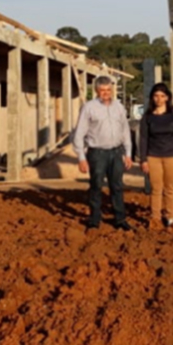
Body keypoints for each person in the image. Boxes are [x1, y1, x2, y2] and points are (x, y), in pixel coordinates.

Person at [73, 75, 133, 231]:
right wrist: (81, 158)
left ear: (112, 90)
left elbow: (125, 130)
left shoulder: (119, 107)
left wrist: (128, 153)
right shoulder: (89, 108)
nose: (106, 93)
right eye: (102, 90)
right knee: (96, 186)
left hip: (116, 151)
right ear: (96, 91)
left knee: (117, 186)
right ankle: (94, 219)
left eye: (108, 89)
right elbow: (79, 134)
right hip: (97, 153)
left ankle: (120, 219)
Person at [137, 83, 173, 229]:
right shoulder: (147, 116)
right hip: (153, 156)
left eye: (162, 96)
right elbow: (143, 138)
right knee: (156, 188)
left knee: (170, 188)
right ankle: (155, 217)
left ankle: (171, 217)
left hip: (172, 155)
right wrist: (143, 159)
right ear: (152, 97)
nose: (159, 99)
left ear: (167, 97)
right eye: (156, 96)